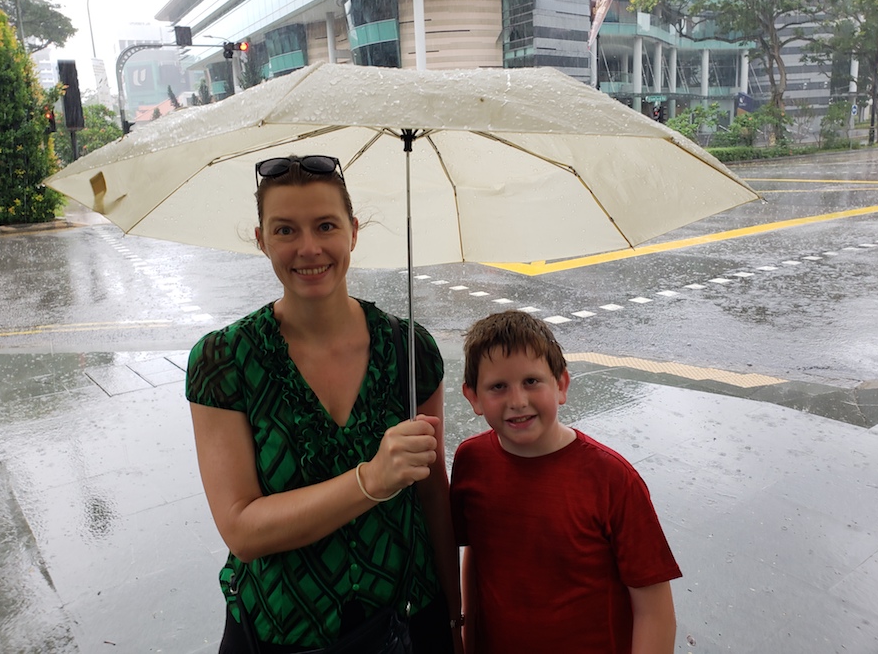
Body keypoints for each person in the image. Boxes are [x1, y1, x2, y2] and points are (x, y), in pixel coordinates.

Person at [186, 155, 462, 653]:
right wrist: (370, 480)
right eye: (285, 230)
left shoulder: (410, 349)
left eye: (326, 225)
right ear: (261, 238)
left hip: (407, 620)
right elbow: (242, 529)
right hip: (283, 630)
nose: (309, 248)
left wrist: (454, 616)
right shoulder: (223, 360)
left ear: (353, 232)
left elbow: (431, 494)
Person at [450, 311, 681, 654]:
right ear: (473, 398)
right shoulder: (471, 461)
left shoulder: (612, 479)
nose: (517, 401)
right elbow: (476, 554)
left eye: (531, 381)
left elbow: (654, 611)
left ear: (560, 385)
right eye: (498, 386)